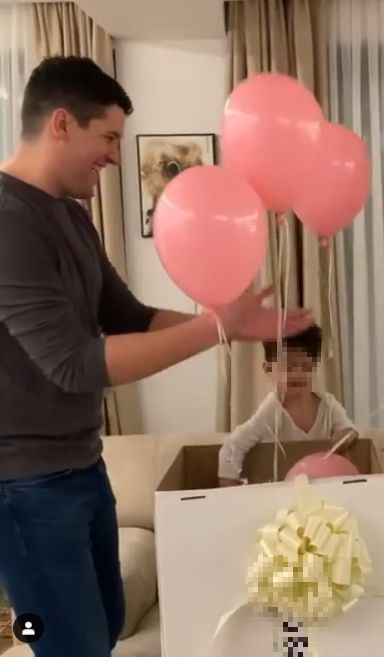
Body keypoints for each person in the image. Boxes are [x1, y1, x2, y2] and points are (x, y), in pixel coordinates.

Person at [0, 56, 311, 657]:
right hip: (23, 486)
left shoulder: (71, 217)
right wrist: (216, 328)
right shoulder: (8, 221)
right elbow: (75, 363)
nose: (116, 156)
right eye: (108, 137)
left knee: (105, 628)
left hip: (81, 466)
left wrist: (237, 330)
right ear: (60, 124)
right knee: (69, 645)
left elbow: (130, 317)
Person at [218, 324, 358, 486]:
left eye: (306, 366)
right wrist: (229, 490)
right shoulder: (271, 411)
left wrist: (345, 435)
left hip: (320, 487)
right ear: (268, 369)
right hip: (282, 490)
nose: (298, 373)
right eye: (289, 366)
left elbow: (349, 430)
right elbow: (232, 446)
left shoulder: (328, 406)